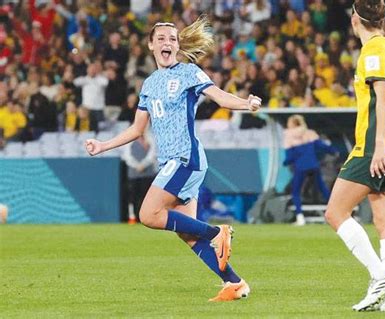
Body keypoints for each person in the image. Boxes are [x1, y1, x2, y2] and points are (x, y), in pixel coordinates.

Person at [84, 16, 261, 302]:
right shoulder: (150, 84)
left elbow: (220, 97)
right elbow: (137, 129)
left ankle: (218, 233)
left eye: (173, 39)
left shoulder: (189, 72)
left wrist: (246, 103)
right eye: (162, 38)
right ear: (151, 44)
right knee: (188, 235)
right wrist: (103, 145)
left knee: (148, 214)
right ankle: (235, 282)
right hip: (170, 162)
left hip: (185, 157)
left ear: (178, 46)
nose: (168, 42)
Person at [324, 0, 385, 312]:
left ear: (354, 18)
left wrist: (378, 147)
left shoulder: (372, 51)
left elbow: (383, 96)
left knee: (335, 212)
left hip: (376, 147)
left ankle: (381, 277)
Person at [283, 115, 338, 226]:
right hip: (313, 165)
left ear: (292, 124)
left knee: (296, 192)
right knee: (323, 189)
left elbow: (290, 157)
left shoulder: (289, 136)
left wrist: (286, 162)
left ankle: (300, 217)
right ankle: (336, 213)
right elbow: (322, 146)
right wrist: (334, 151)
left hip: (300, 167)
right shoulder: (309, 133)